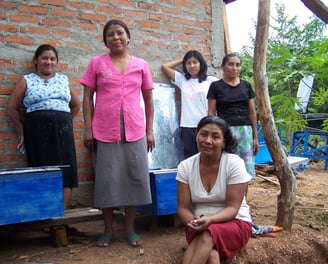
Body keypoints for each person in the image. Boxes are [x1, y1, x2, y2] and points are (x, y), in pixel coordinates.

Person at [80, 19, 155, 248]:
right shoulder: (96, 63)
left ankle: (130, 229)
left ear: (128, 37)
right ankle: (108, 230)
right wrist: (87, 127)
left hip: (134, 129)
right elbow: (86, 98)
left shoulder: (141, 64)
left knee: (134, 177)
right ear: (105, 41)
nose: (115, 38)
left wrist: (149, 130)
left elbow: (149, 100)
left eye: (120, 33)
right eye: (110, 35)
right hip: (104, 129)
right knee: (107, 180)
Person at [7, 44, 80, 212]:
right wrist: (23, 130)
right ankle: (45, 214)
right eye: (44, 58)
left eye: (52, 59)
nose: (49, 62)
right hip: (36, 133)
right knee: (40, 171)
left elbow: (76, 105)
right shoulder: (26, 80)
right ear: (36, 60)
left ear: (56, 62)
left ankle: (58, 216)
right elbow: (11, 108)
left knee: (66, 172)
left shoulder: (63, 80)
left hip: (62, 132)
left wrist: (65, 122)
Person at [176, 115, 252, 264]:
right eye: (203, 134)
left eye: (215, 136)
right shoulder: (185, 167)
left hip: (235, 223)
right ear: (197, 135)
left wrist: (209, 220)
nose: (207, 140)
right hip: (197, 225)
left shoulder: (234, 164)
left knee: (208, 234)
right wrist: (192, 222)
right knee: (211, 256)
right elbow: (183, 208)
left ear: (224, 142)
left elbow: (232, 209)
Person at [207, 53, 259, 178]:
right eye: (230, 64)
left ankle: (244, 197)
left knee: (245, 168)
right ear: (223, 67)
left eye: (238, 65)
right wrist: (212, 135)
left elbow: (252, 112)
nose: (234, 68)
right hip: (225, 131)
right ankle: (226, 196)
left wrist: (255, 137)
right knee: (225, 165)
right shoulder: (215, 87)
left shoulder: (246, 86)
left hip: (245, 132)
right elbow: (211, 113)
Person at [162, 50, 218, 159]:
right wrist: (182, 60)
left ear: (201, 64)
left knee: (208, 157)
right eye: (188, 63)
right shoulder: (182, 80)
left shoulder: (211, 80)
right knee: (191, 158)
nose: (192, 66)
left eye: (195, 62)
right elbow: (165, 67)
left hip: (206, 125)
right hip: (187, 126)